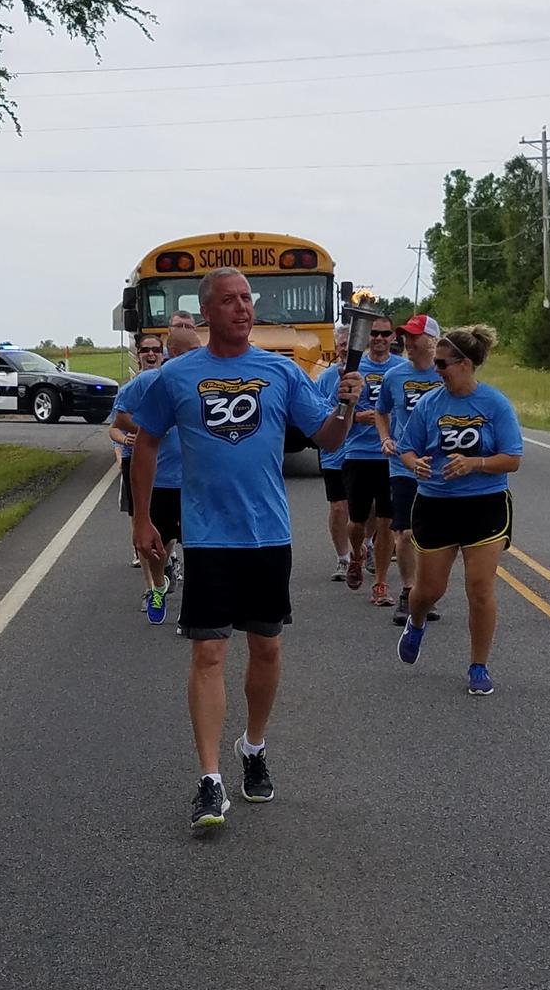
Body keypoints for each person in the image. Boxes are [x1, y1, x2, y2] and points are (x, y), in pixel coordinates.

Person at [130, 266, 364, 830]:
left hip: (267, 535)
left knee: (266, 650)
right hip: (208, 536)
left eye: (246, 300)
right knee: (209, 653)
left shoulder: (280, 371)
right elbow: (146, 441)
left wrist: (347, 405)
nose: (243, 308)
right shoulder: (178, 375)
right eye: (230, 300)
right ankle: (209, 779)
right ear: (207, 311)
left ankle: (252, 747)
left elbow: (327, 437)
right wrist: (142, 519)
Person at [396, 324, 523, 695]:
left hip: (485, 505)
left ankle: (478, 665)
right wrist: (413, 463)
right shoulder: (429, 404)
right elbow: (407, 448)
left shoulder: (494, 404)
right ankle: (416, 621)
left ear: (465, 364)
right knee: (428, 590)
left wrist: (475, 464)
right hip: (436, 504)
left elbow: (512, 458)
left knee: (480, 589)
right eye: (436, 364)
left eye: (442, 364)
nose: (437, 370)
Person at [115, 329, 200, 624]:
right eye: (190, 352)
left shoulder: (206, 382)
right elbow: (121, 416)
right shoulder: (151, 381)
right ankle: (157, 589)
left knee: (199, 547)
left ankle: (192, 610)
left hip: (194, 482)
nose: (197, 357)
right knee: (158, 547)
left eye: (199, 350)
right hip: (161, 480)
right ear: (172, 354)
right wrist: (148, 428)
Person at [375, 314, 444, 625]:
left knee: (433, 536)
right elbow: (381, 412)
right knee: (404, 531)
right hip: (403, 465)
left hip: (440, 467)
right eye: (405, 337)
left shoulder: (447, 375)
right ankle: (408, 592)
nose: (408, 342)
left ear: (433, 340)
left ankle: (426, 593)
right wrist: (386, 438)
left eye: (415, 337)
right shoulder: (394, 375)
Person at [341, 316, 402, 604]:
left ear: (393, 337)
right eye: (374, 333)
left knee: (387, 520)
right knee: (356, 520)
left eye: (384, 334)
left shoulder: (401, 369)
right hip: (358, 452)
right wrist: (358, 416)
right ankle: (356, 552)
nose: (378, 338)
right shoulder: (353, 369)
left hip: (390, 454)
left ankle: (380, 584)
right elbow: (336, 412)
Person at [109, 335, 163, 572]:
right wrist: (124, 442)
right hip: (136, 458)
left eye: (156, 350)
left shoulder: (169, 383)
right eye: (145, 350)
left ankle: (167, 556)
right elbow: (114, 428)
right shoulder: (127, 390)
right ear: (137, 355)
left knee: (166, 511)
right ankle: (140, 550)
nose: (151, 355)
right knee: (138, 509)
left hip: (167, 461)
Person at [316, 326, 352, 580]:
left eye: (350, 345)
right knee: (339, 507)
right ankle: (343, 558)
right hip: (334, 453)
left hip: (368, 452)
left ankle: (368, 545)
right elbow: (317, 411)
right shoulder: (326, 378)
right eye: (341, 345)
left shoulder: (375, 374)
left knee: (369, 509)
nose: (345, 350)